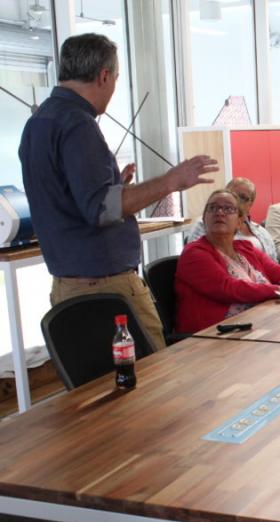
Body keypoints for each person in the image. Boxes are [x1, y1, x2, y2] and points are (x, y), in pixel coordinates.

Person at [18, 33, 218, 351]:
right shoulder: (78, 124)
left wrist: (117, 187)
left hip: (69, 285)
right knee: (156, 374)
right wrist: (170, 181)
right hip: (105, 287)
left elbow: (70, 198)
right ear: (104, 76)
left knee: (101, 381)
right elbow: (101, 209)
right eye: (116, 78)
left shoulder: (38, 122)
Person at [175, 190, 280, 333]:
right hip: (214, 334)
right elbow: (228, 289)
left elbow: (278, 272)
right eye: (213, 208)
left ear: (240, 222)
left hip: (257, 323)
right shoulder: (193, 253)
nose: (219, 212)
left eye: (228, 208)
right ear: (204, 219)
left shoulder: (246, 248)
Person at [187, 177, 277, 260]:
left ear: (251, 204)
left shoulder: (262, 232)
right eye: (232, 194)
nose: (236, 200)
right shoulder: (207, 223)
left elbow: (274, 264)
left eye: (243, 197)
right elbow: (196, 258)